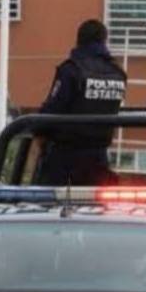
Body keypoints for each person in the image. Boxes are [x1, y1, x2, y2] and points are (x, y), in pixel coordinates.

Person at [30, 19, 127, 186]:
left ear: (79, 40)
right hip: (99, 159)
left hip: (65, 160)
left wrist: (36, 128)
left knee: (50, 207)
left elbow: (52, 110)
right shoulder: (118, 73)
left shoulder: (71, 70)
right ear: (104, 40)